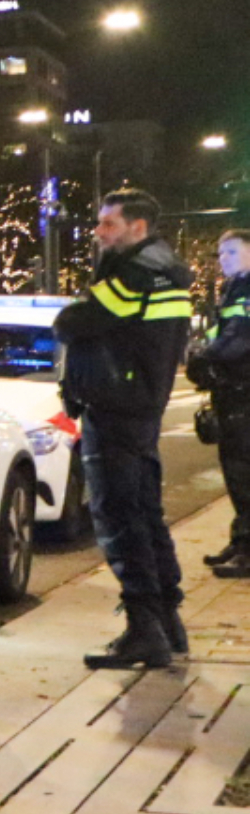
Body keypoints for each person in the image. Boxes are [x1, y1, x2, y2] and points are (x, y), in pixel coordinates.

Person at [55, 188, 194, 669]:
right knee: (144, 511)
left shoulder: (133, 272)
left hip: (115, 405)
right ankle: (166, 619)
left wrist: (80, 307)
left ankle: (144, 630)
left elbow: (75, 321)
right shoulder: (167, 270)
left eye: (108, 224)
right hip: (141, 404)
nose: (99, 232)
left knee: (118, 516)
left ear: (138, 227)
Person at [187, 231, 250, 576]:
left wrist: (205, 357)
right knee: (236, 471)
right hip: (233, 392)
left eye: (232, 251)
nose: (223, 258)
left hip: (244, 392)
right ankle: (242, 541)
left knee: (244, 471)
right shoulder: (235, 289)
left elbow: (238, 338)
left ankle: (247, 550)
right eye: (221, 252)